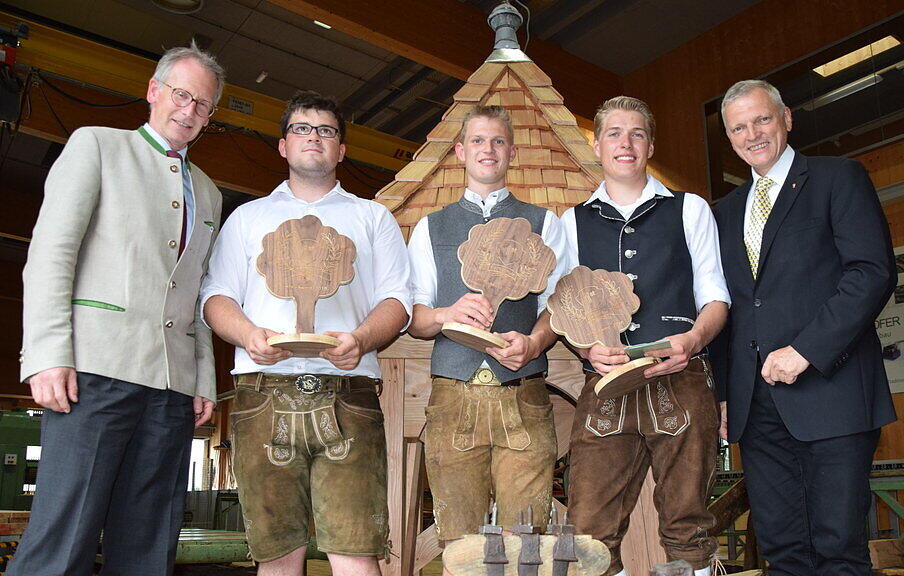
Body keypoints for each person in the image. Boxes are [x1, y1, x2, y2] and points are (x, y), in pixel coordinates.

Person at [12, 42, 225, 576]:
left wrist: (204, 379)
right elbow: (51, 254)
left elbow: (198, 290)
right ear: (153, 92)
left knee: (150, 545)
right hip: (94, 373)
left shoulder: (209, 192)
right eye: (182, 95)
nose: (190, 111)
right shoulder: (97, 146)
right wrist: (45, 354)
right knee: (64, 538)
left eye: (203, 105)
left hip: (172, 389)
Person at [200, 91, 411, 576]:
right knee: (276, 557)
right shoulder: (247, 218)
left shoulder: (372, 217)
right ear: (282, 146)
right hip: (262, 389)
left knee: (357, 553)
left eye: (326, 131)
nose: (314, 138)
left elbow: (397, 301)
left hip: (349, 390)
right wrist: (249, 333)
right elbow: (216, 298)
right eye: (302, 129)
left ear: (340, 150)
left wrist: (361, 339)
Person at [711, 79, 897, 576]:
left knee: (839, 547)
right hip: (756, 407)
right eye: (738, 128)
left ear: (787, 118)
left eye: (762, 119)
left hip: (830, 392)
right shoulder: (723, 213)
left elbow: (871, 273)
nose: (752, 134)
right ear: (729, 139)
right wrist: (726, 394)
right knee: (782, 549)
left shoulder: (840, 178)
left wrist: (806, 350)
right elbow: (724, 306)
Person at [560, 96, 730, 576]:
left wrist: (693, 341)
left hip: (681, 378)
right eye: (614, 133)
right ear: (597, 145)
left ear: (650, 144)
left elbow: (716, 298)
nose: (625, 143)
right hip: (607, 385)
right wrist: (584, 348)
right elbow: (565, 308)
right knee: (588, 534)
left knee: (688, 527)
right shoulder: (570, 222)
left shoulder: (689, 209)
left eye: (636, 133)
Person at [406, 104, 572, 547]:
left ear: (512, 153)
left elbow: (562, 305)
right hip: (452, 397)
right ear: (460, 151)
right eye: (478, 140)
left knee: (527, 540)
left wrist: (536, 341)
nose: (488, 149)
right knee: (459, 545)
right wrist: (446, 315)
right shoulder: (429, 228)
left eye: (498, 141)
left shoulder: (545, 223)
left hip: (524, 395)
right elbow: (414, 320)